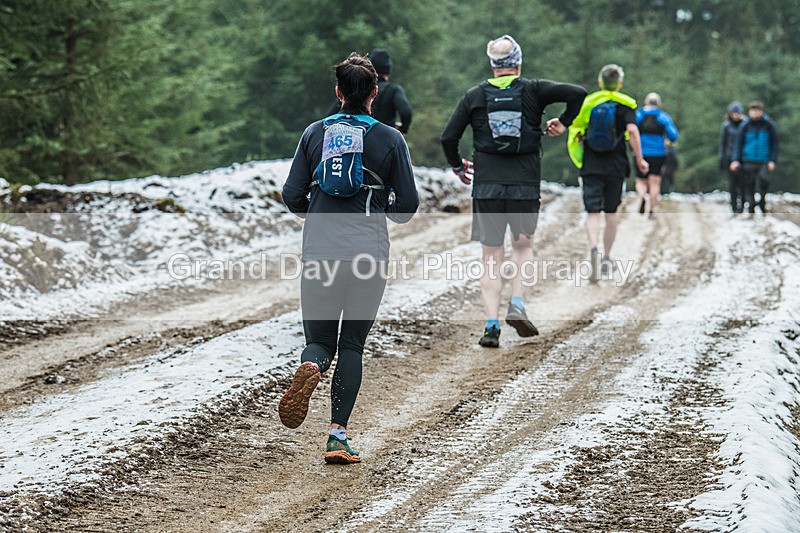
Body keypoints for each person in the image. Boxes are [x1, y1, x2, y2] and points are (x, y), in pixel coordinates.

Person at [280, 53, 419, 464]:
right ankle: (337, 437)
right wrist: (383, 203)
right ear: (375, 94)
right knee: (353, 345)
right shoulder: (391, 139)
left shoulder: (314, 134)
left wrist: (320, 208)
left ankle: (312, 366)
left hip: (320, 251)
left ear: (338, 92)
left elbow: (292, 195)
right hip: (368, 255)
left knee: (319, 341)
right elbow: (406, 208)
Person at [441, 34, 586, 348]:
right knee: (522, 248)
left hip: (487, 186)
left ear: (493, 65)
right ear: (518, 63)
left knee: (491, 256)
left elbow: (448, 137)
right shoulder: (534, 89)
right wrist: (563, 121)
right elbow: (578, 93)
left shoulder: (475, 95)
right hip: (523, 183)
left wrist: (457, 167)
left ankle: (491, 326)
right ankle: (517, 302)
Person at [567, 64, 648, 281]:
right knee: (611, 213)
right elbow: (632, 131)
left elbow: (576, 129)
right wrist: (640, 159)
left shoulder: (589, 103)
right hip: (616, 166)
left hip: (591, 165)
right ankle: (606, 256)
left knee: (592, 212)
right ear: (619, 84)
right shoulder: (627, 104)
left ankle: (593, 247)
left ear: (600, 82)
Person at [327, 48, 413, 134]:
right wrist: (402, 129)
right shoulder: (393, 90)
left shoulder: (356, 87)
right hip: (385, 137)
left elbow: (331, 116)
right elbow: (406, 113)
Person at [634, 92, 679, 218]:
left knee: (641, 180)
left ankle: (642, 196)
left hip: (640, 153)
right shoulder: (663, 116)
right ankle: (652, 209)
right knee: (655, 182)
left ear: (646, 102)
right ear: (658, 104)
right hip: (658, 153)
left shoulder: (639, 115)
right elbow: (673, 136)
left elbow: (630, 130)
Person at [730, 100, 779, 214]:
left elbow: (775, 143)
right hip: (748, 159)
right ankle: (751, 206)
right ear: (749, 112)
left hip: (764, 160)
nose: (756, 113)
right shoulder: (745, 126)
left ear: (761, 112)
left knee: (764, 181)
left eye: (758, 111)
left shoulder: (769, 125)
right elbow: (738, 144)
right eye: (753, 111)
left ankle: (762, 202)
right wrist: (735, 160)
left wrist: (772, 160)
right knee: (749, 184)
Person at [718, 101, 745, 213]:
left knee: (743, 183)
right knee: (732, 184)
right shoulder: (726, 126)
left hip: (743, 158)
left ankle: (742, 205)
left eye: (737, 113)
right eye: (733, 113)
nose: (736, 115)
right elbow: (722, 144)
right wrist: (721, 159)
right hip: (729, 158)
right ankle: (734, 206)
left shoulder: (745, 124)